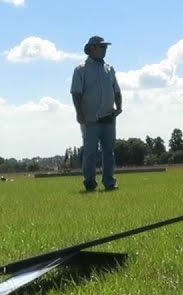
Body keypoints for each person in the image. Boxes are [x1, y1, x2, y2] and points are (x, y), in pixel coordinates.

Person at [70, 35, 122, 192]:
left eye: (105, 47)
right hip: (90, 118)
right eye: (102, 47)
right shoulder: (81, 70)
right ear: (91, 48)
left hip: (109, 117)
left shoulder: (109, 68)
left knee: (109, 152)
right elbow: (76, 93)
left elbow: (116, 90)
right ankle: (90, 182)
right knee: (90, 152)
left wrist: (119, 106)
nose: (105, 49)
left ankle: (109, 182)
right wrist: (79, 114)